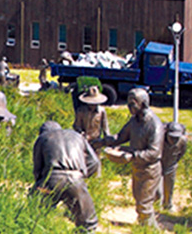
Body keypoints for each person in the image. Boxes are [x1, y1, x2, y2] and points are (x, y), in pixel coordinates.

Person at [102, 88, 164, 228]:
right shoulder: (134, 121)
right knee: (139, 199)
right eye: (128, 103)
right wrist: (104, 141)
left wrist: (133, 155)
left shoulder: (154, 124)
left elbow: (154, 152)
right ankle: (145, 227)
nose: (129, 107)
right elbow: (121, 137)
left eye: (132, 104)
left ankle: (149, 230)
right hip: (137, 167)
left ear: (143, 103)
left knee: (144, 204)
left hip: (149, 169)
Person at [32, 121, 99, 232]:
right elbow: (94, 162)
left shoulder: (42, 138)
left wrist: (39, 186)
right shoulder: (77, 136)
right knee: (88, 223)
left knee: (35, 216)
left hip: (51, 180)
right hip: (76, 179)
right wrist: (82, 176)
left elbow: (37, 169)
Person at [73, 86, 110, 176]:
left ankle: (97, 177)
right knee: (83, 160)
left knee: (96, 160)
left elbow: (105, 127)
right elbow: (76, 125)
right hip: (84, 140)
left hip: (96, 140)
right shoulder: (81, 111)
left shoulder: (102, 111)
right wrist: (80, 132)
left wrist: (107, 140)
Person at [160, 121, 187, 211]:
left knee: (169, 188)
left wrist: (174, 162)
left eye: (176, 138)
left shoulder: (182, 141)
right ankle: (156, 204)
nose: (174, 140)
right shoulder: (160, 138)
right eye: (172, 137)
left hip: (171, 166)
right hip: (159, 165)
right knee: (157, 190)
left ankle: (168, 205)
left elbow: (181, 153)